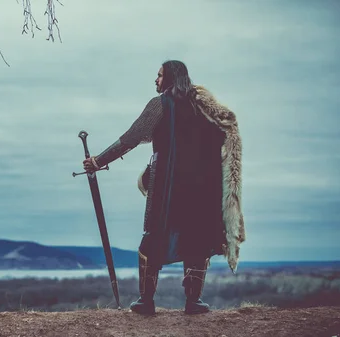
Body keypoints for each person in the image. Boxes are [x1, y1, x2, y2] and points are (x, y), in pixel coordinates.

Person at [82, 60, 245, 315]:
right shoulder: (201, 108)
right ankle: (193, 302)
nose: (155, 81)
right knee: (196, 238)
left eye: (159, 76)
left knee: (154, 236)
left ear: (170, 78)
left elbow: (131, 138)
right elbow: (221, 134)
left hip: (167, 184)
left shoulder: (160, 105)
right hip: (199, 187)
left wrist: (98, 161)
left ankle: (146, 301)